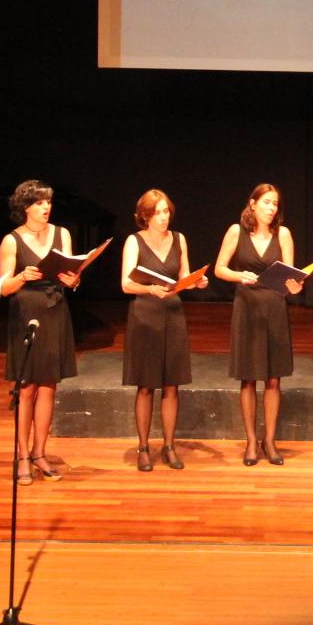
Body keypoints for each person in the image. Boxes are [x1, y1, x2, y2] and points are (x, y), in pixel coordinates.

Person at [0, 179, 90, 483]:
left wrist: (73, 280)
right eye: (39, 203)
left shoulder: (62, 234)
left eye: (48, 202)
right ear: (25, 207)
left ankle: (40, 452)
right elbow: (3, 288)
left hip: (55, 310)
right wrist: (22, 276)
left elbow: (70, 274)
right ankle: (23, 454)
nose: (46, 207)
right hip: (26, 313)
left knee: (49, 385)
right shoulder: (12, 240)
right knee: (27, 387)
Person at [215, 183, 301, 466]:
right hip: (247, 307)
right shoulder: (236, 232)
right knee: (249, 377)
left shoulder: (283, 234)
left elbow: (291, 277)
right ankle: (251, 441)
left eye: (275, 204)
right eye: (266, 202)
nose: (271, 208)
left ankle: (270, 440)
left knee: (273, 378)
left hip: (274, 308)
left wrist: (295, 285)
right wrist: (239, 276)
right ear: (252, 204)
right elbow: (219, 268)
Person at [120, 188, 197, 470]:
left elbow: (183, 275)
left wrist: (194, 281)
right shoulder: (134, 241)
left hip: (173, 313)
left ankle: (169, 445)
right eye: (157, 213)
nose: (163, 218)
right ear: (145, 216)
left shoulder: (179, 239)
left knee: (171, 385)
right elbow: (126, 284)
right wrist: (150, 289)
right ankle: (143, 446)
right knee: (146, 386)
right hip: (145, 315)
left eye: (166, 212)